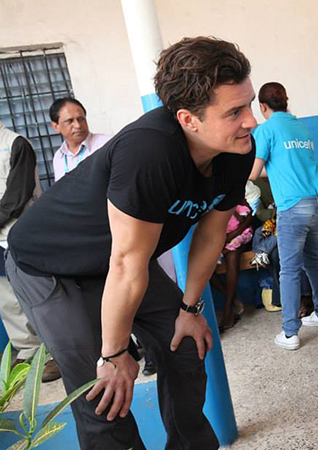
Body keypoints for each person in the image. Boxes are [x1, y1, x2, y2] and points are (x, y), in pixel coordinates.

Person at [5, 37, 257, 450]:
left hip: (119, 262)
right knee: (103, 391)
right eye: (234, 112)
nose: (251, 121)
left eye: (248, 105)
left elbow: (212, 232)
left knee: (185, 348)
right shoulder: (150, 151)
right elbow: (126, 264)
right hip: (50, 264)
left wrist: (189, 308)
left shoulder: (235, 148)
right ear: (188, 119)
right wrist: (114, 354)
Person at [248, 82, 318, 351]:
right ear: (286, 101)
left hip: (293, 206)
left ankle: (290, 332)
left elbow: (253, 172)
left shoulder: (266, 129)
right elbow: (289, 165)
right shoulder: (300, 127)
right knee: (312, 260)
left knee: (289, 269)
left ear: (262, 107)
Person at [0, 120, 61, 382]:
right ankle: (28, 352)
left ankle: (57, 354)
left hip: (20, 232)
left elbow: (19, 193)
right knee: (7, 299)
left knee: (39, 296)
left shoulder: (16, 143)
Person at [49, 97, 111, 182]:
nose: (78, 125)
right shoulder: (59, 157)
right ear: (56, 126)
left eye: (81, 119)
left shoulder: (106, 144)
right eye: (70, 121)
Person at [218, 202, 254, 332]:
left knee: (232, 257)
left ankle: (227, 309)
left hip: (238, 235)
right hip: (218, 239)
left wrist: (229, 237)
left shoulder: (234, 198)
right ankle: (233, 300)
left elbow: (248, 218)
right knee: (204, 268)